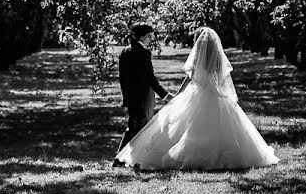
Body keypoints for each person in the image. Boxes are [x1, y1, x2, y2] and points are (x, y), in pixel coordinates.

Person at [115, 27, 279, 170]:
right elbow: (222, 78)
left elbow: (189, 78)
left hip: (197, 93)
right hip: (215, 94)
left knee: (188, 125)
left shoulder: (197, 58)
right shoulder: (218, 58)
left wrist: (178, 95)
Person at [113, 23, 173, 167]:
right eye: (149, 36)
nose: (150, 38)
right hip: (143, 96)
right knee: (139, 128)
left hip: (131, 96)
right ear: (141, 37)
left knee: (136, 126)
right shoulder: (144, 53)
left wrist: (126, 97)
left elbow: (122, 78)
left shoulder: (124, 52)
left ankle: (128, 160)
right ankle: (122, 160)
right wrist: (165, 95)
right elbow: (150, 78)